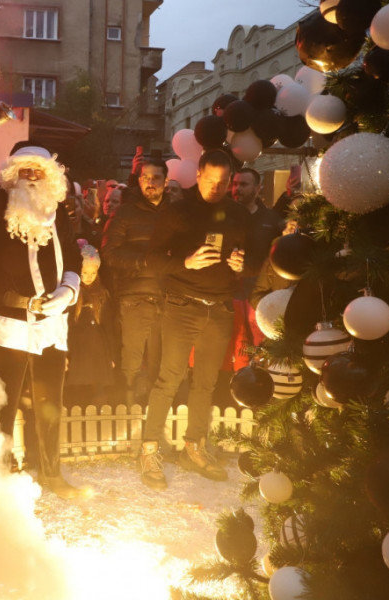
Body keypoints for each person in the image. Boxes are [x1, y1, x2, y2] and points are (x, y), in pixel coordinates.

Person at [0, 130, 88, 499]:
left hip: (51, 325)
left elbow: (72, 256)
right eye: (24, 170)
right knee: (4, 405)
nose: (31, 176)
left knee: (50, 404)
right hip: (9, 325)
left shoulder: (58, 212)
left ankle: (52, 473)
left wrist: (69, 289)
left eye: (37, 170)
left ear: (49, 175)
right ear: (12, 175)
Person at [138, 150, 248, 489]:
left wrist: (241, 263)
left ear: (230, 181)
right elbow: (153, 259)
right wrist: (185, 263)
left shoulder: (237, 214)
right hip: (182, 304)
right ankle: (148, 450)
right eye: (210, 180)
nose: (216, 188)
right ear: (198, 175)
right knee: (169, 379)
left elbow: (251, 258)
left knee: (206, 383)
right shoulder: (178, 211)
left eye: (223, 182)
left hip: (219, 307)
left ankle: (194, 448)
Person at [103, 157, 169, 409]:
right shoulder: (125, 213)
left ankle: (157, 420)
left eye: (156, 178)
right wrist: (143, 261)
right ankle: (127, 416)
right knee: (130, 365)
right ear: (139, 181)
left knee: (162, 367)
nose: (150, 183)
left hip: (169, 297)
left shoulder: (176, 212)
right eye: (145, 178)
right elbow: (109, 253)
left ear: (166, 181)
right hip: (135, 297)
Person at [227, 168, 285, 370]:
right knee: (231, 345)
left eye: (243, 184)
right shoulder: (224, 215)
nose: (237, 189)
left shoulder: (271, 219)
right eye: (235, 184)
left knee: (257, 345)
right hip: (227, 290)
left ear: (258, 188)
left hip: (259, 291)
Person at [65, 244, 115, 407]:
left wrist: (111, 355)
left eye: (93, 273)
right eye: (85, 272)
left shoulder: (101, 294)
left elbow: (108, 326)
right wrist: (65, 353)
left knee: (98, 388)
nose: (89, 277)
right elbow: (67, 325)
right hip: (77, 347)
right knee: (78, 390)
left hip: (98, 348)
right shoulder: (71, 294)